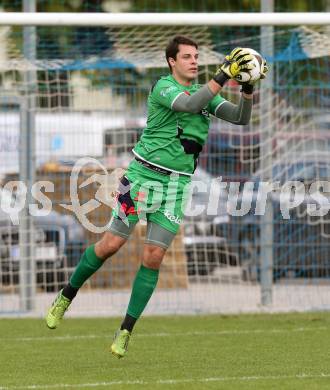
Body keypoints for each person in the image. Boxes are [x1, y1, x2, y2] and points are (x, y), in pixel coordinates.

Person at [45, 35, 267, 358]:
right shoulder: (163, 87)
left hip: (175, 187)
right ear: (171, 62)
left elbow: (241, 118)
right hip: (140, 178)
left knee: (153, 257)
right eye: (187, 57)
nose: (193, 61)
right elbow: (189, 105)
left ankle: (125, 330)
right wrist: (224, 73)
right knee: (111, 245)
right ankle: (66, 295)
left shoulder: (206, 95)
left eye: (196, 56)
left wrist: (247, 85)